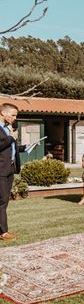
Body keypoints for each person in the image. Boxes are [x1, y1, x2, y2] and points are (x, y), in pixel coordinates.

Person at [0, 103, 28, 240]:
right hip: (0, 170)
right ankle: (3, 232)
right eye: (13, 115)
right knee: (2, 201)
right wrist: (12, 137)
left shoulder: (7, 128)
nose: (15, 118)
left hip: (9, 169)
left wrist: (24, 148)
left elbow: (8, 147)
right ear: (2, 113)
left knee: (4, 200)